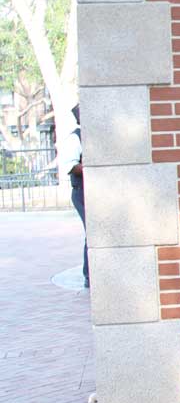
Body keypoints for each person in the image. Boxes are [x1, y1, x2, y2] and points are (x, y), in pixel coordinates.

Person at [59, 105, 88, 288]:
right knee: (91, 233)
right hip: (82, 192)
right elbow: (71, 166)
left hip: (94, 191)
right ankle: (89, 276)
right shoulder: (75, 138)